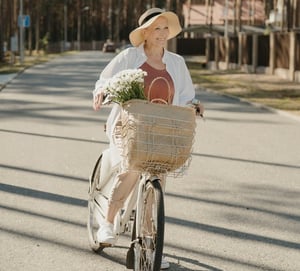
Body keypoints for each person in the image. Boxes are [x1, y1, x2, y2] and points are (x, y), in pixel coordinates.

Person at [92, 7, 204, 269]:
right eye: (157, 28)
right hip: (129, 127)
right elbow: (105, 81)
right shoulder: (130, 57)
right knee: (132, 170)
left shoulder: (177, 62)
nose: (163, 33)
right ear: (145, 32)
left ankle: (152, 245)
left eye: (166, 28)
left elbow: (187, 95)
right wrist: (101, 92)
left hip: (162, 130)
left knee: (158, 183)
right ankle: (107, 223)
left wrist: (196, 104)